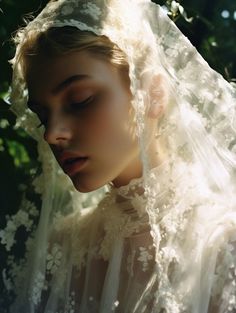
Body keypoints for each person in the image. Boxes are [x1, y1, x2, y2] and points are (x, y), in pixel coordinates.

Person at [3, 0, 236, 312]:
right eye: (43, 115)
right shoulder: (59, 251)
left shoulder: (221, 244)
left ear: (152, 93)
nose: (51, 134)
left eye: (80, 100)